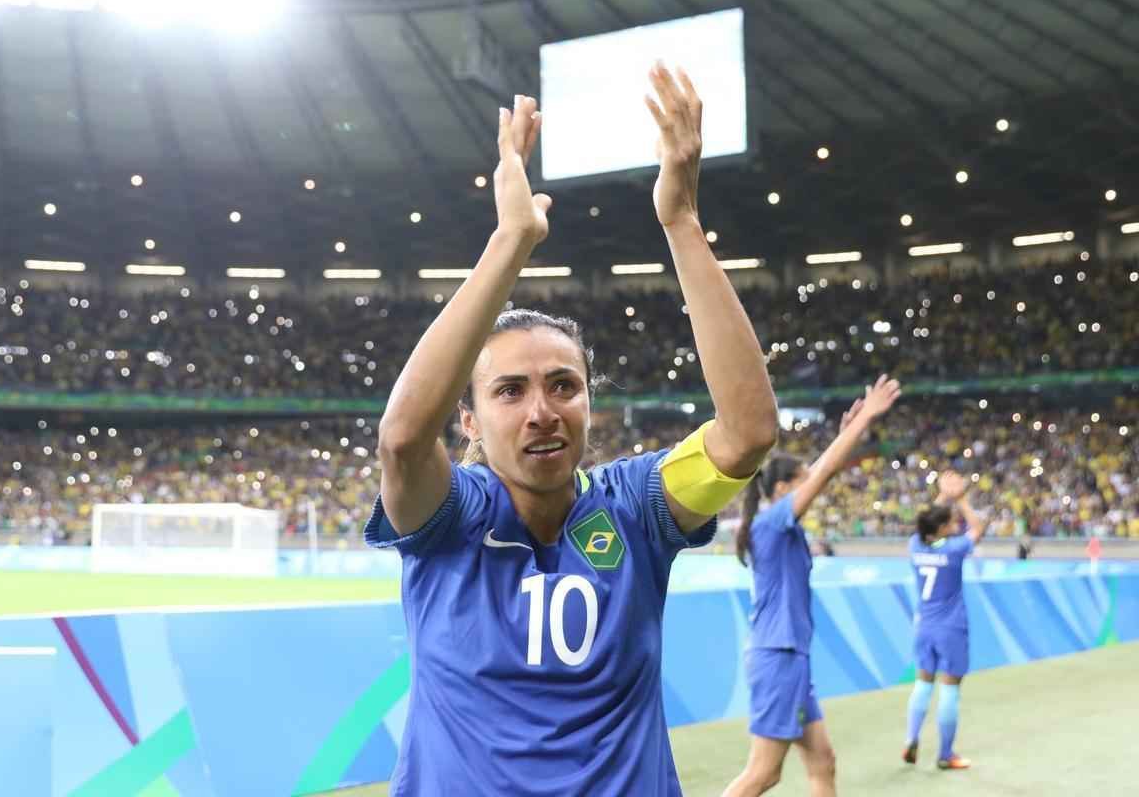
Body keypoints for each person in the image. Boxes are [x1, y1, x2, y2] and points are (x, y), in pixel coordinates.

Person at [365, 65, 778, 796]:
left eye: (564, 385)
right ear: (469, 420)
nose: (541, 411)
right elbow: (401, 438)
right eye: (509, 391)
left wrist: (681, 220)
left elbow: (746, 433)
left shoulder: (637, 507)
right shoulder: (446, 515)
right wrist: (513, 238)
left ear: (591, 402)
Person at [722, 376, 902, 797]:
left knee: (823, 762)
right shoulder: (771, 523)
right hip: (778, 655)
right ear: (783, 490)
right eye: (802, 482)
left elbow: (824, 472)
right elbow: (826, 471)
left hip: (791, 656)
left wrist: (844, 436)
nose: (813, 488)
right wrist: (863, 423)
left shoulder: (782, 528)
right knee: (763, 773)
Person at [902, 470, 987, 770]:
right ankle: (946, 754)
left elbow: (926, 522)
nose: (957, 524)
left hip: (923, 626)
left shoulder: (915, 546)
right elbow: (978, 526)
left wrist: (943, 497)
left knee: (923, 683)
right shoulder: (955, 549)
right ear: (941, 529)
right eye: (951, 522)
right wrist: (960, 498)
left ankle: (910, 738)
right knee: (950, 687)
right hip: (951, 628)